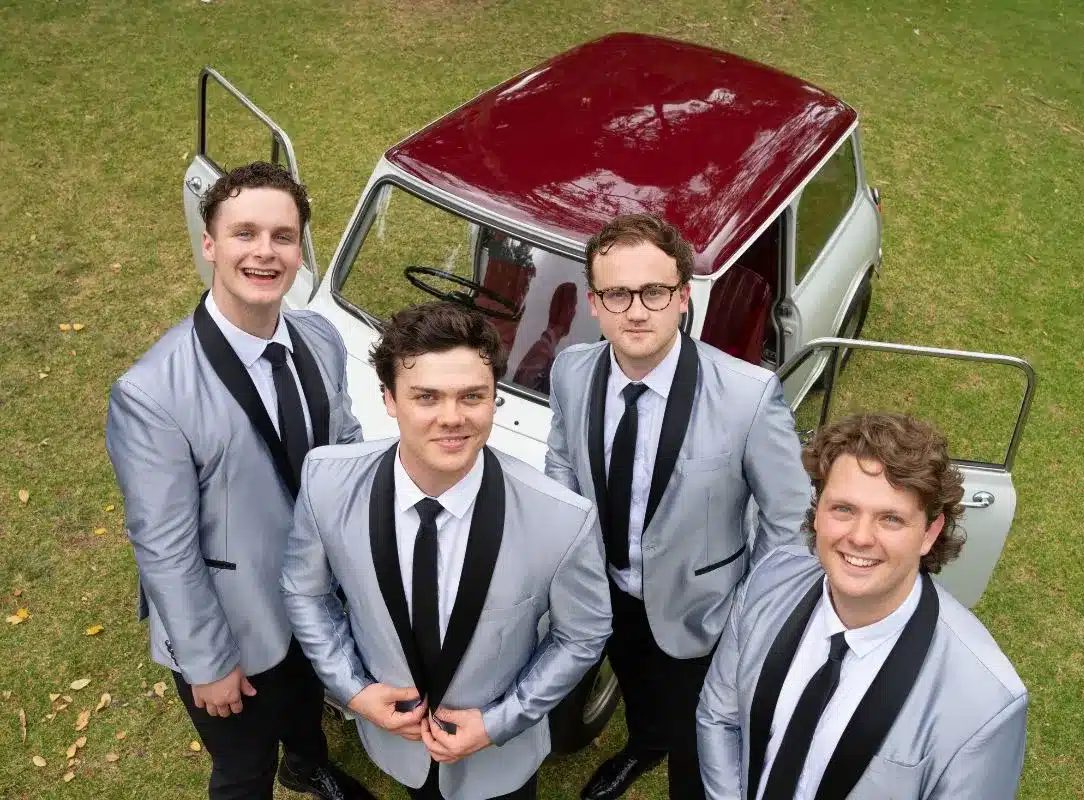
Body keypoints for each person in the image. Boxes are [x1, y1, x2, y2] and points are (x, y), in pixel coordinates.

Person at [105, 162, 369, 799]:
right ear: (210, 243)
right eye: (244, 233)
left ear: (299, 250)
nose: (264, 251)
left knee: (306, 714)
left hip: (314, 599)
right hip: (230, 629)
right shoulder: (150, 393)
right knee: (243, 770)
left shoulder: (320, 338)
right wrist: (207, 662)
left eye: (282, 236)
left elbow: (345, 446)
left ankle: (307, 766)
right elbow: (164, 547)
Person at [281, 301, 612, 800]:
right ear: (389, 398)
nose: (452, 419)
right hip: (394, 746)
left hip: (499, 761)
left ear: (494, 397)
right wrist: (353, 688)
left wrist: (501, 721)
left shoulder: (563, 518)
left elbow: (583, 634)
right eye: (427, 397)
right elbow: (305, 593)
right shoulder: (325, 481)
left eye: (472, 396)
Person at [544, 213, 807, 800]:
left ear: (683, 298)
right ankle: (643, 746)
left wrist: (749, 612)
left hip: (704, 614)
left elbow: (788, 520)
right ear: (594, 303)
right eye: (617, 293)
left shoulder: (749, 395)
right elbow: (561, 457)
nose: (636, 310)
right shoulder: (570, 370)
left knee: (701, 750)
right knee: (639, 691)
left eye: (655, 292)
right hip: (604, 595)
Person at [696, 413, 1029, 800]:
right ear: (817, 510)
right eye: (843, 509)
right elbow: (719, 718)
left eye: (890, 518)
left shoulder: (987, 702)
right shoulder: (768, 581)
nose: (859, 537)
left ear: (930, 533)